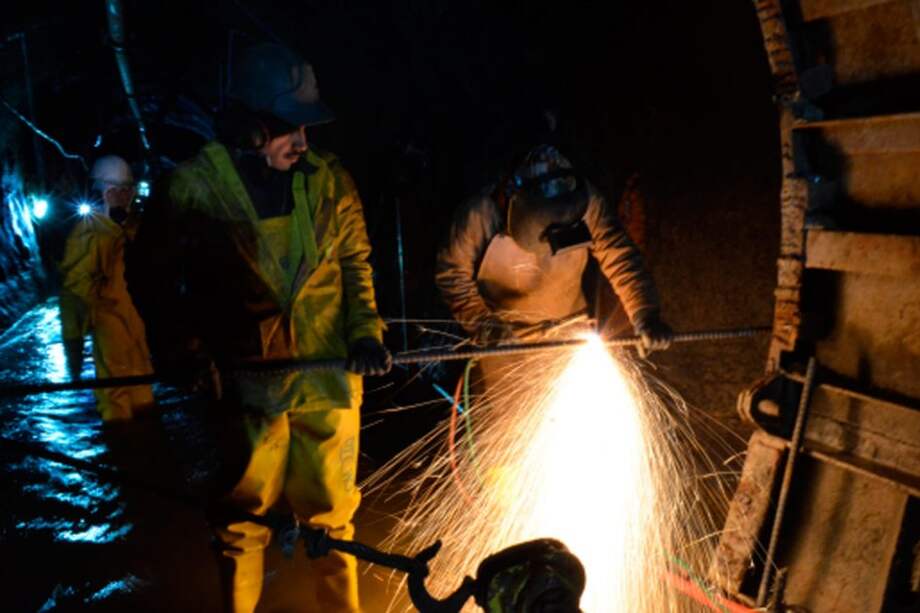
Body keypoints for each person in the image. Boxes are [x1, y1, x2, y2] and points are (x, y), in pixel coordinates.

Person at [128, 43, 390, 613]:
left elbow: (355, 263)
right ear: (247, 126)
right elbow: (148, 276)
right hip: (247, 387)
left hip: (328, 376)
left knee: (333, 522)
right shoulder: (194, 190)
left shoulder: (330, 180)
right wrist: (184, 348)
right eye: (286, 129)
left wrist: (366, 332)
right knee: (241, 522)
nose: (301, 142)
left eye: (306, 129)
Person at [435, 144, 672, 392]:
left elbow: (617, 252)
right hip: (505, 344)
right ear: (516, 206)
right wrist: (487, 328)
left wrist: (645, 313)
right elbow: (452, 278)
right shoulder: (479, 216)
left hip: (572, 332)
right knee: (519, 428)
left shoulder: (582, 200)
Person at [59, 154, 154, 421]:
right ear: (101, 192)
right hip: (110, 331)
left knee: (144, 400)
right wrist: (74, 349)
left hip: (138, 333)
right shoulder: (87, 234)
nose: (123, 197)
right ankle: (123, 447)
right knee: (116, 404)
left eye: (128, 190)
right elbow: (72, 293)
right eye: (115, 191)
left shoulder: (139, 229)